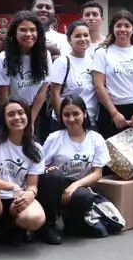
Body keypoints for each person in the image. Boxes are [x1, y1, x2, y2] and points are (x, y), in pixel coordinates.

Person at [0, 97, 48, 257]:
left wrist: (30, 194)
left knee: (36, 218)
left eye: (21, 113)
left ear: (27, 115)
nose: (17, 117)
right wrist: (12, 186)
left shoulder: (35, 148)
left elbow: (32, 184)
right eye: (11, 114)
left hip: (17, 200)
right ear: (3, 119)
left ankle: (12, 228)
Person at [37, 96, 112, 240]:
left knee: (85, 197)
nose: (71, 119)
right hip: (55, 186)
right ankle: (48, 224)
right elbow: (39, 166)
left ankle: (73, 221)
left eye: (76, 114)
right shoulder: (54, 137)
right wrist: (47, 169)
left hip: (78, 186)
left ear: (85, 114)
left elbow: (97, 173)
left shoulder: (96, 138)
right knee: (54, 176)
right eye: (66, 115)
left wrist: (75, 185)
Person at [91, 10, 133, 141]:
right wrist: (114, 113)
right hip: (110, 112)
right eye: (118, 25)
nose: (122, 29)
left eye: (127, 26)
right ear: (112, 28)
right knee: (111, 153)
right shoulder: (102, 53)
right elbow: (98, 86)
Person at [0, 10, 52, 140]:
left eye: (33, 30)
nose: (28, 34)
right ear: (14, 33)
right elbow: (3, 97)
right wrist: (15, 118)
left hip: (33, 111)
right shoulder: (3, 59)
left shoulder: (45, 55)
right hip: (9, 112)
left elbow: (43, 90)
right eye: (23, 30)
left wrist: (31, 121)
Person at [49, 21, 99, 136]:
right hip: (67, 121)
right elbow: (55, 94)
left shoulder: (93, 60)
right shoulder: (62, 62)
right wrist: (63, 121)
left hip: (89, 121)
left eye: (86, 35)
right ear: (69, 40)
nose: (83, 39)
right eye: (77, 36)